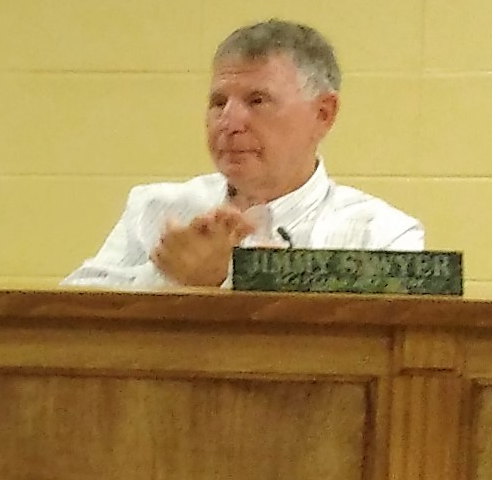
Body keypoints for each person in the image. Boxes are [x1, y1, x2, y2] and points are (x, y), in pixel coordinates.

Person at [63, 21, 422, 287]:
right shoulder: (157, 208)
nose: (229, 122)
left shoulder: (383, 234)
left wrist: (227, 281)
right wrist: (165, 276)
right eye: (218, 102)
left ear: (323, 113)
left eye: (257, 101)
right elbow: (69, 323)